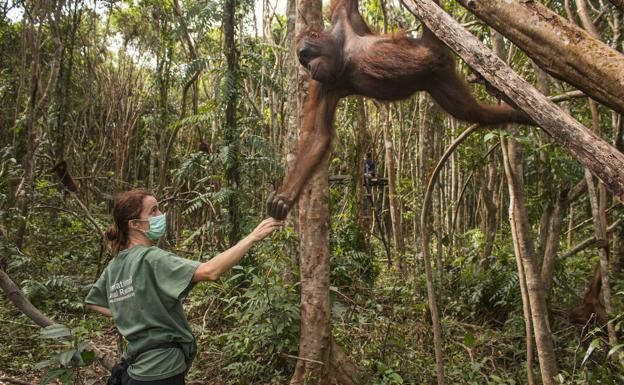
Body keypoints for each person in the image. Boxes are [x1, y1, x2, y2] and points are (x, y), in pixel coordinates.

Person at [85, 189, 282, 384]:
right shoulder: (151, 258)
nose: (161, 215)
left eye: (159, 209)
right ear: (134, 224)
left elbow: (93, 301)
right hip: (162, 368)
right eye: (153, 211)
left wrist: (130, 312)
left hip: (135, 369)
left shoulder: (115, 265)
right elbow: (210, 271)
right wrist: (253, 236)